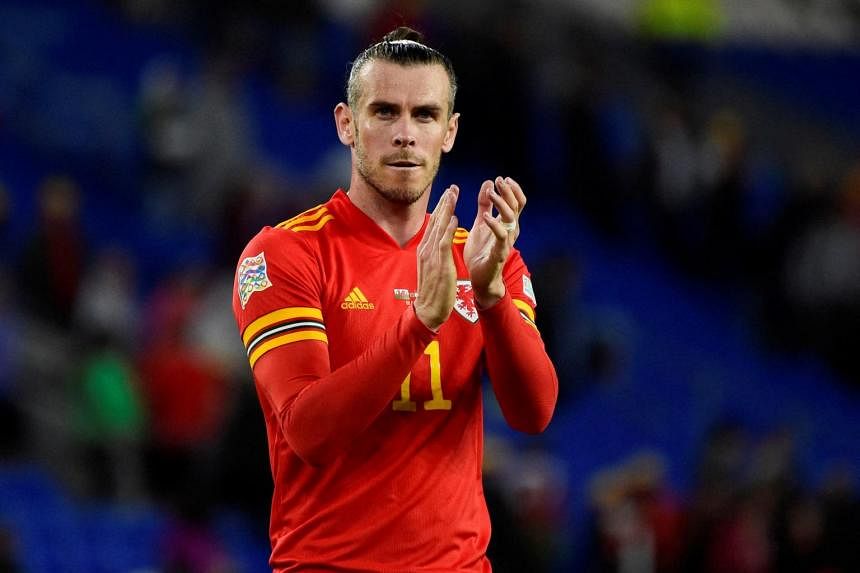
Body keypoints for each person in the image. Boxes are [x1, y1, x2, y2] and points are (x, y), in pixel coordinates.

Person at [232, 26, 559, 572]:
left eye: (425, 115)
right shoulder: (285, 254)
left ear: (449, 132)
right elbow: (308, 433)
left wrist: (493, 296)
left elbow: (533, 414)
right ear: (346, 124)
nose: (405, 134)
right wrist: (420, 325)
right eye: (385, 112)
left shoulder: (484, 256)